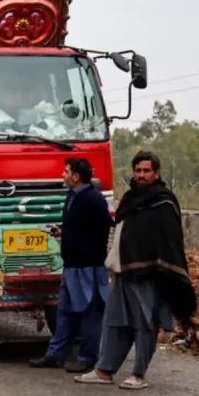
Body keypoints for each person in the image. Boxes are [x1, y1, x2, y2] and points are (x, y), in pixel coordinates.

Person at [75, 151, 196, 390]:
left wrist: (162, 268)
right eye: (138, 170)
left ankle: (138, 374)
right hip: (123, 271)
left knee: (145, 323)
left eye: (146, 171)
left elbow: (170, 240)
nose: (141, 175)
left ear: (156, 173)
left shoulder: (163, 201)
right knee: (114, 320)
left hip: (149, 273)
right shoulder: (130, 198)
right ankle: (104, 370)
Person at [29, 158, 113, 372]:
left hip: (88, 267)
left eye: (66, 171)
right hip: (71, 266)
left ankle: (88, 358)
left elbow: (103, 226)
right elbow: (77, 226)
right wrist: (63, 231)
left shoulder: (93, 198)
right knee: (65, 312)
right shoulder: (72, 196)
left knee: (90, 313)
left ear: (76, 176)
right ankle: (55, 354)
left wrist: (83, 244)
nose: (62, 175)